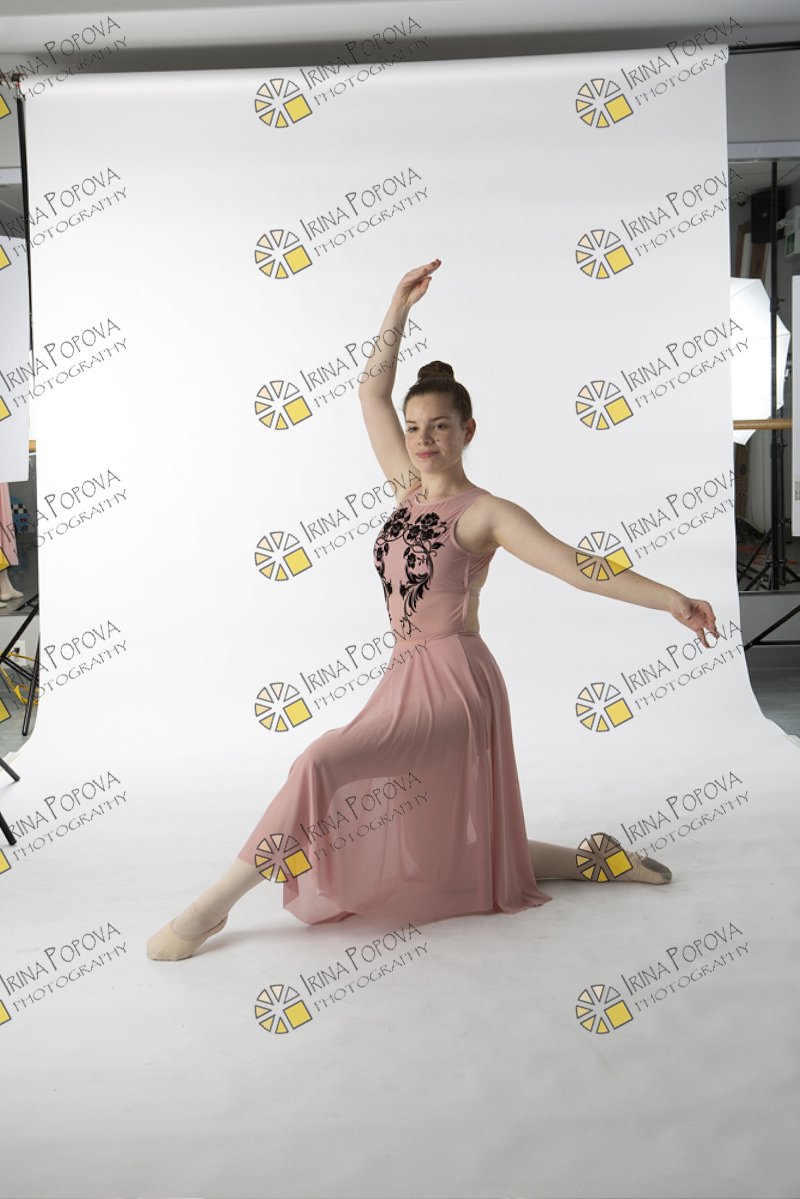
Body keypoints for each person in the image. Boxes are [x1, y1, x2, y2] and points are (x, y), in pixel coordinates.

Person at [147, 258, 720, 961]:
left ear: (467, 430)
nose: (422, 438)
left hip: (456, 685)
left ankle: (209, 908)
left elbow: (578, 567)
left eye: (439, 426)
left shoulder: (486, 513)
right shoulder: (407, 489)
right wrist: (398, 308)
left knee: (319, 760)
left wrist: (672, 600)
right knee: (437, 850)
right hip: (401, 678)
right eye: (415, 426)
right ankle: (593, 859)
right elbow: (370, 392)